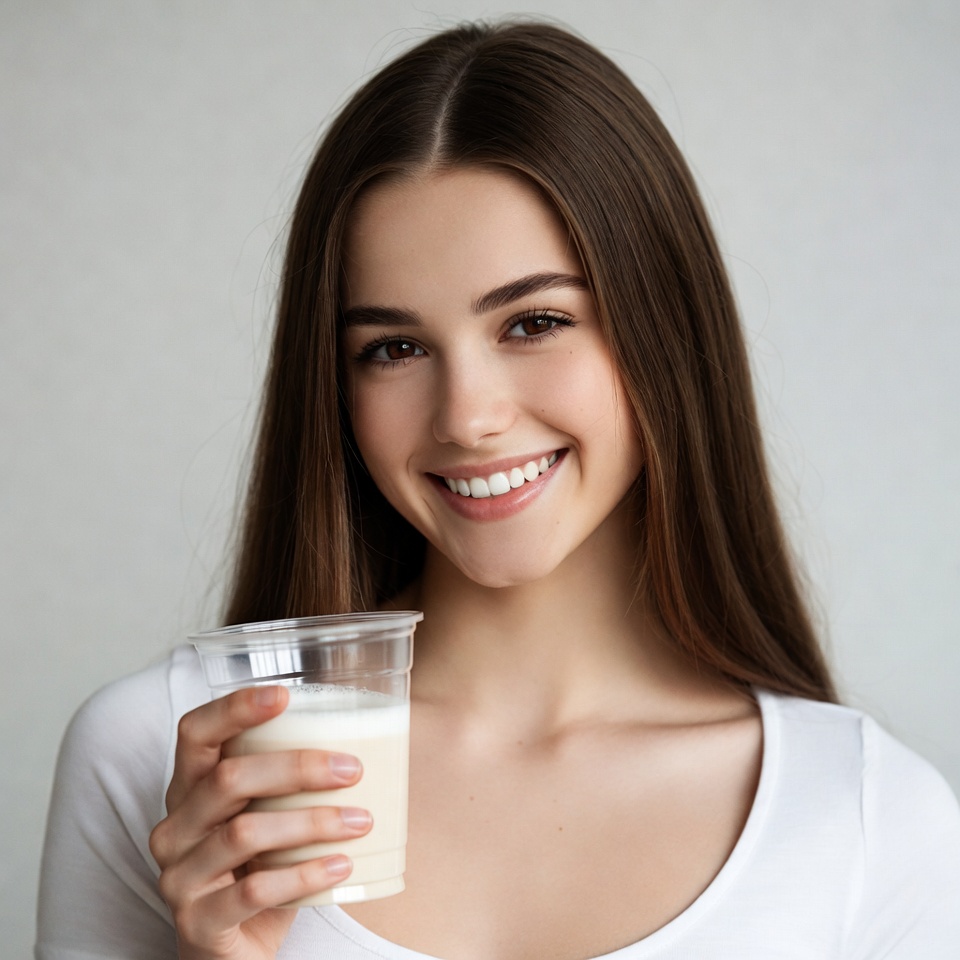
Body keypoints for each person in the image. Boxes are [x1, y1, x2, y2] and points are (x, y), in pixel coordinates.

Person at [36, 20, 960, 960]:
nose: (467, 417)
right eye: (393, 348)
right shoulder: (161, 760)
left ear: (664, 327)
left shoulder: (868, 819)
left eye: (534, 322)